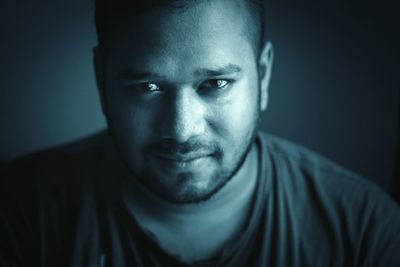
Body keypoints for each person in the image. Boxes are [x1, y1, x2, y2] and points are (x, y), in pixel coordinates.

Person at [1, 0, 400, 266]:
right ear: (99, 77)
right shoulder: (22, 211)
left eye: (216, 84)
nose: (181, 129)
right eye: (147, 87)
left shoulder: (363, 229)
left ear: (262, 77)